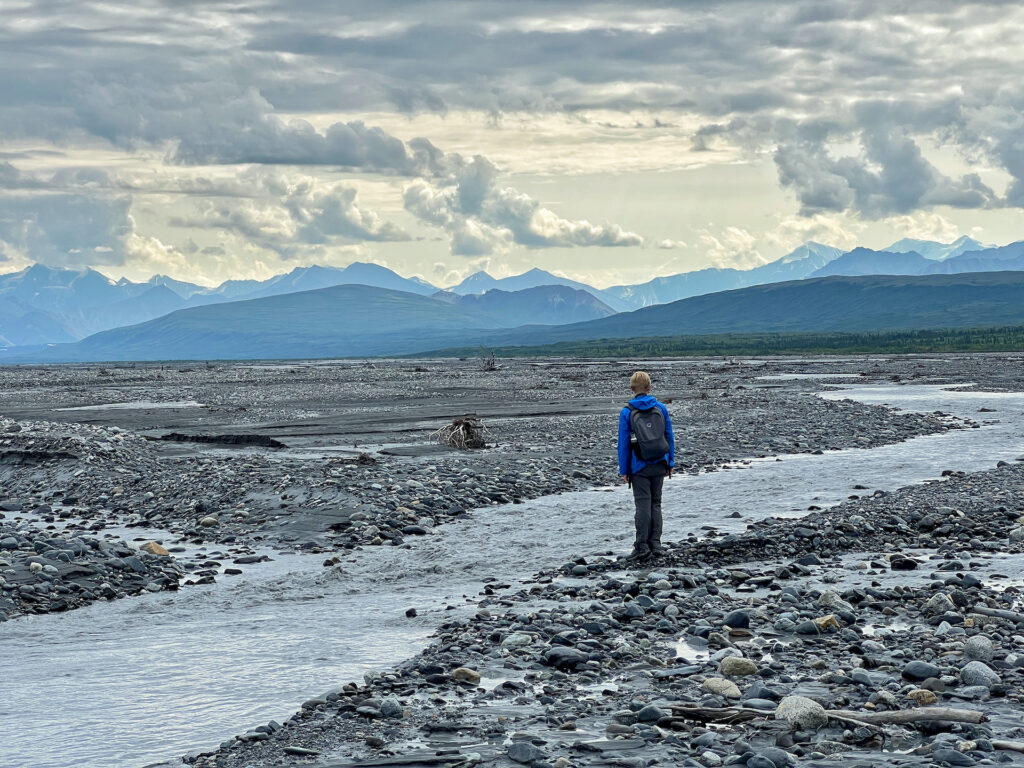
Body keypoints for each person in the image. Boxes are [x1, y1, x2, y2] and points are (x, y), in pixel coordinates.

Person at [618, 370, 675, 559]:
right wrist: (671, 461)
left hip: (638, 466)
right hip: (660, 461)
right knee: (656, 503)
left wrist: (624, 470)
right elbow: (669, 437)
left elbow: (624, 444)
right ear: (649, 387)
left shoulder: (627, 412)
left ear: (632, 388)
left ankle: (641, 545)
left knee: (642, 504)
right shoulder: (661, 408)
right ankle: (656, 544)